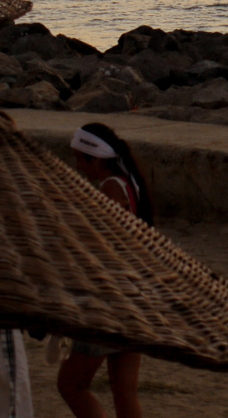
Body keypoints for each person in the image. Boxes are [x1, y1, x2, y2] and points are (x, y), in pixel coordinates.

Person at [58, 123, 154, 418]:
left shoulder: (111, 187)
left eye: (80, 159)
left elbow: (105, 243)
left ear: (96, 159)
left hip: (110, 300)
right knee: (124, 391)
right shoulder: (130, 184)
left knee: (71, 385)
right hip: (134, 296)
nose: (78, 166)